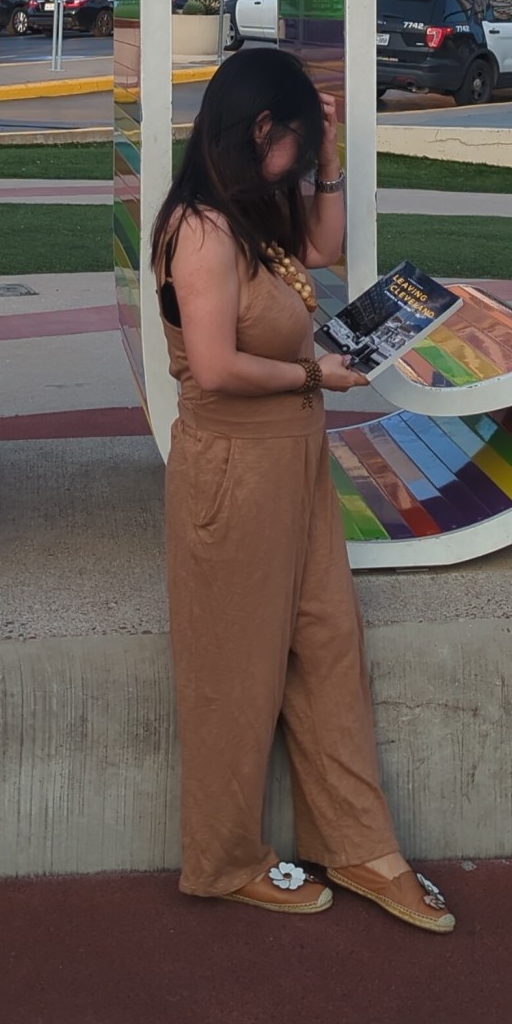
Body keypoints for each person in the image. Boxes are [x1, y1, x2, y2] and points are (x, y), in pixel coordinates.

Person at [151, 48, 455, 935]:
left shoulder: (253, 210)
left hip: (295, 461)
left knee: (328, 648)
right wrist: (318, 375)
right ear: (259, 131)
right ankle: (224, 862)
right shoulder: (200, 230)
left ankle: (362, 847)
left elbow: (322, 247)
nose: (300, 162)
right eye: (294, 140)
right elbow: (214, 367)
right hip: (234, 470)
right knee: (235, 674)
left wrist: (326, 155)